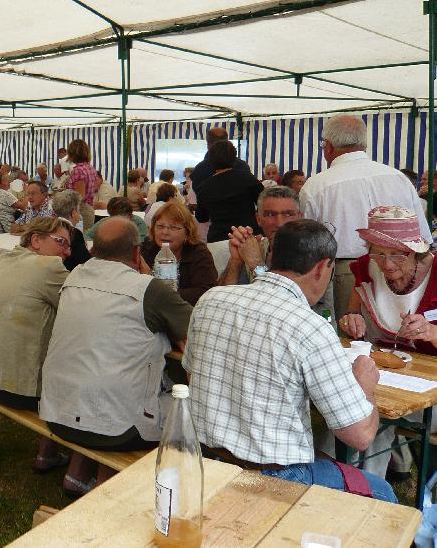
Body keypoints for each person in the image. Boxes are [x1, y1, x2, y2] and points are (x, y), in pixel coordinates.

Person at [184, 219, 396, 502]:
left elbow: (191, 377)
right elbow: (360, 436)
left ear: (271, 256)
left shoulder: (211, 300)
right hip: (275, 476)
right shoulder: (309, 327)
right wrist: (365, 386)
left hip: (207, 458)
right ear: (323, 267)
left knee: (319, 453)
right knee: (384, 493)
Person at [40, 217, 193, 494]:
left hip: (58, 415)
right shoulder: (149, 289)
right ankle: (106, 485)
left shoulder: (73, 277)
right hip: (118, 429)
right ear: (137, 253)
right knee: (188, 403)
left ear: (92, 250)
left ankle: (77, 474)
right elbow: (194, 335)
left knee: (109, 379)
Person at [338, 205, 436, 479]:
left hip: (431, 388)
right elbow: (351, 313)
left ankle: (364, 484)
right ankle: (361, 486)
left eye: (397, 254)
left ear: (416, 250)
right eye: (379, 253)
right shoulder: (367, 269)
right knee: (364, 404)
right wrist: (350, 321)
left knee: (367, 408)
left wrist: (431, 332)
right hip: (392, 378)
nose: (388, 264)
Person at [300, 115, 428, 321]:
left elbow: (308, 245)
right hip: (403, 268)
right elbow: (423, 237)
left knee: (353, 336)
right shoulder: (398, 178)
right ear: (363, 144)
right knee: (400, 334)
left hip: (345, 272)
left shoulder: (316, 186)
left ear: (328, 147)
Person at [0, 217, 72, 472]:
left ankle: (49, 452)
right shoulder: (49, 266)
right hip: (19, 390)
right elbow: (84, 309)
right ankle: (75, 464)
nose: (66, 251)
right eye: (61, 242)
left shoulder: (3, 259)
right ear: (36, 240)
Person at [219, 186, 303, 287]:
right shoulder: (253, 248)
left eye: (288, 214)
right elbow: (222, 297)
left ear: (300, 218)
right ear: (258, 219)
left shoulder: (313, 253)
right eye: (271, 214)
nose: (279, 223)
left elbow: (282, 300)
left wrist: (256, 264)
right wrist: (236, 260)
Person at [139, 200, 217, 305]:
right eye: (160, 226)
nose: (165, 232)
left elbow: (205, 292)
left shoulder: (198, 253)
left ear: (187, 232)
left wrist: (162, 294)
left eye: (173, 227)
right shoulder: (148, 249)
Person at [194, 140, 263, 243]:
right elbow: (264, 201)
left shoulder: (205, 186)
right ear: (234, 157)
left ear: (210, 160)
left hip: (218, 238)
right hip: (247, 235)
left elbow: (201, 217)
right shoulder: (247, 178)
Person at [189, 127, 251, 191]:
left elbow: (195, 196)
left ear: (208, 144)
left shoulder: (200, 169)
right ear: (227, 141)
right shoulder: (243, 166)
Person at [51, 189, 91, 272]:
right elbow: (84, 262)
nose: (79, 216)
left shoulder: (48, 227)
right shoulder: (74, 233)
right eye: (78, 210)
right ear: (73, 213)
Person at [64, 139, 98, 231]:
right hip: (89, 208)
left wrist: (65, 196)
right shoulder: (90, 168)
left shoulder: (78, 170)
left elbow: (80, 196)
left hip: (80, 211)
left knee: (78, 239)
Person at [0, 168, 27, 233]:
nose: (9, 182)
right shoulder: (6, 194)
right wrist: (26, 192)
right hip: (4, 227)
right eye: (6, 181)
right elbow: (24, 206)